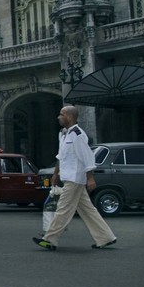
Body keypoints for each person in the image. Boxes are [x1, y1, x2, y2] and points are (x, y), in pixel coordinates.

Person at [33, 105, 117, 251]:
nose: (58, 117)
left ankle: (50, 239)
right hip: (68, 177)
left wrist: (90, 178)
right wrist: (55, 174)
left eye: (61, 115)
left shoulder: (78, 135)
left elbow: (87, 157)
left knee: (63, 209)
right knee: (88, 210)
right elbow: (61, 156)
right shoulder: (63, 134)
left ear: (69, 117)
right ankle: (106, 238)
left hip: (75, 178)